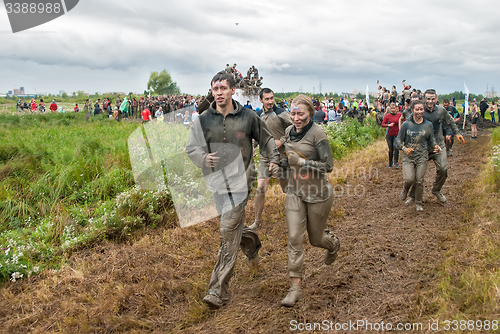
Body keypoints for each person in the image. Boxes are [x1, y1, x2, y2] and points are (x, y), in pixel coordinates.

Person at [185, 72, 280, 309]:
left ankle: (218, 290)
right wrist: (203, 157)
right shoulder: (204, 119)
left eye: (223, 88)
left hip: (241, 183)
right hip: (217, 184)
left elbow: (267, 140)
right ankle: (251, 246)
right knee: (233, 230)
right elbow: (191, 147)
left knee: (227, 231)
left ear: (232, 90)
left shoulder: (248, 117)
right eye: (215, 89)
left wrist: (274, 159)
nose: (219, 92)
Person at [279, 94, 340, 307]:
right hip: (295, 192)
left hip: (318, 194)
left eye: (300, 114)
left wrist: (303, 162)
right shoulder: (288, 132)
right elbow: (288, 159)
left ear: (310, 114)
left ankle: (332, 244)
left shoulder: (318, 134)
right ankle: (295, 288)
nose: (296, 118)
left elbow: (328, 166)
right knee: (295, 237)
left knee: (315, 239)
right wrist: (280, 165)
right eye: (293, 113)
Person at [406, 89, 465, 205]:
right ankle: (413, 196)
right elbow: (408, 124)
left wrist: (457, 132)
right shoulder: (419, 110)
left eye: (432, 99)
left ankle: (437, 190)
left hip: (438, 145)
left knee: (443, 169)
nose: (430, 101)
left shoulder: (441, 111)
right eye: (428, 98)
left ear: (436, 98)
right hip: (422, 147)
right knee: (418, 174)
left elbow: (451, 121)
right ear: (424, 98)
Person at [250, 88, 293, 230]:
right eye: (267, 99)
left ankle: (297, 214)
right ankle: (257, 221)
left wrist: (281, 140)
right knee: (261, 188)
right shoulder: (257, 116)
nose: (270, 101)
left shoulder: (281, 113)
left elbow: (295, 128)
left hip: (282, 157)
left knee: (287, 188)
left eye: (272, 98)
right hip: (265, 157)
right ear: (261, 100)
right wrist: (252, 147)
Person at [396, 100, 441, 211]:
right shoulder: (406, 124)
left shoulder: (428, 125)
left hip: (422, 156)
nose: (419, 111)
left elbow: (432, 140)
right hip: (409, 157)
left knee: (419, 180)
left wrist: (436, 146)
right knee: (409, 179)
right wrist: (404, 149)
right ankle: (405, 189)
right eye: (417, 109)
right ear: (412, 110)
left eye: (421, 109)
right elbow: (397, 141)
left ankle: (418, 202)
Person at [381, 102, 402, 168]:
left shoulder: (400, 115)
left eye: (394, 108)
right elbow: (382, 124)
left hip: (397, 134)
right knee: (391, 149)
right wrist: (388, 125)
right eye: (391, 108)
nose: (393, 110)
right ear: (390, 108)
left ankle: (396, 162)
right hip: (389, 134)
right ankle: (390, 162)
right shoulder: (387, 115)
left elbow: (404, 122)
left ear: (396, 108)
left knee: (396, 147)